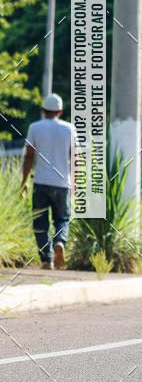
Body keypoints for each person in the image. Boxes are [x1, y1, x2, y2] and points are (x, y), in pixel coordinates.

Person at [21, 93, 75, 270]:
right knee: (62, 220)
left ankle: (47, 260)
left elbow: (29, 156)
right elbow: (75, 158)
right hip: (61, 184)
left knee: (40, 223)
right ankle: (60, 241)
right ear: (60, 111)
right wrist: (75, 182)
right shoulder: (69, 129)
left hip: (41, 182)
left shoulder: (34, 127)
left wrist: (24, 181)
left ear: (43, 110)